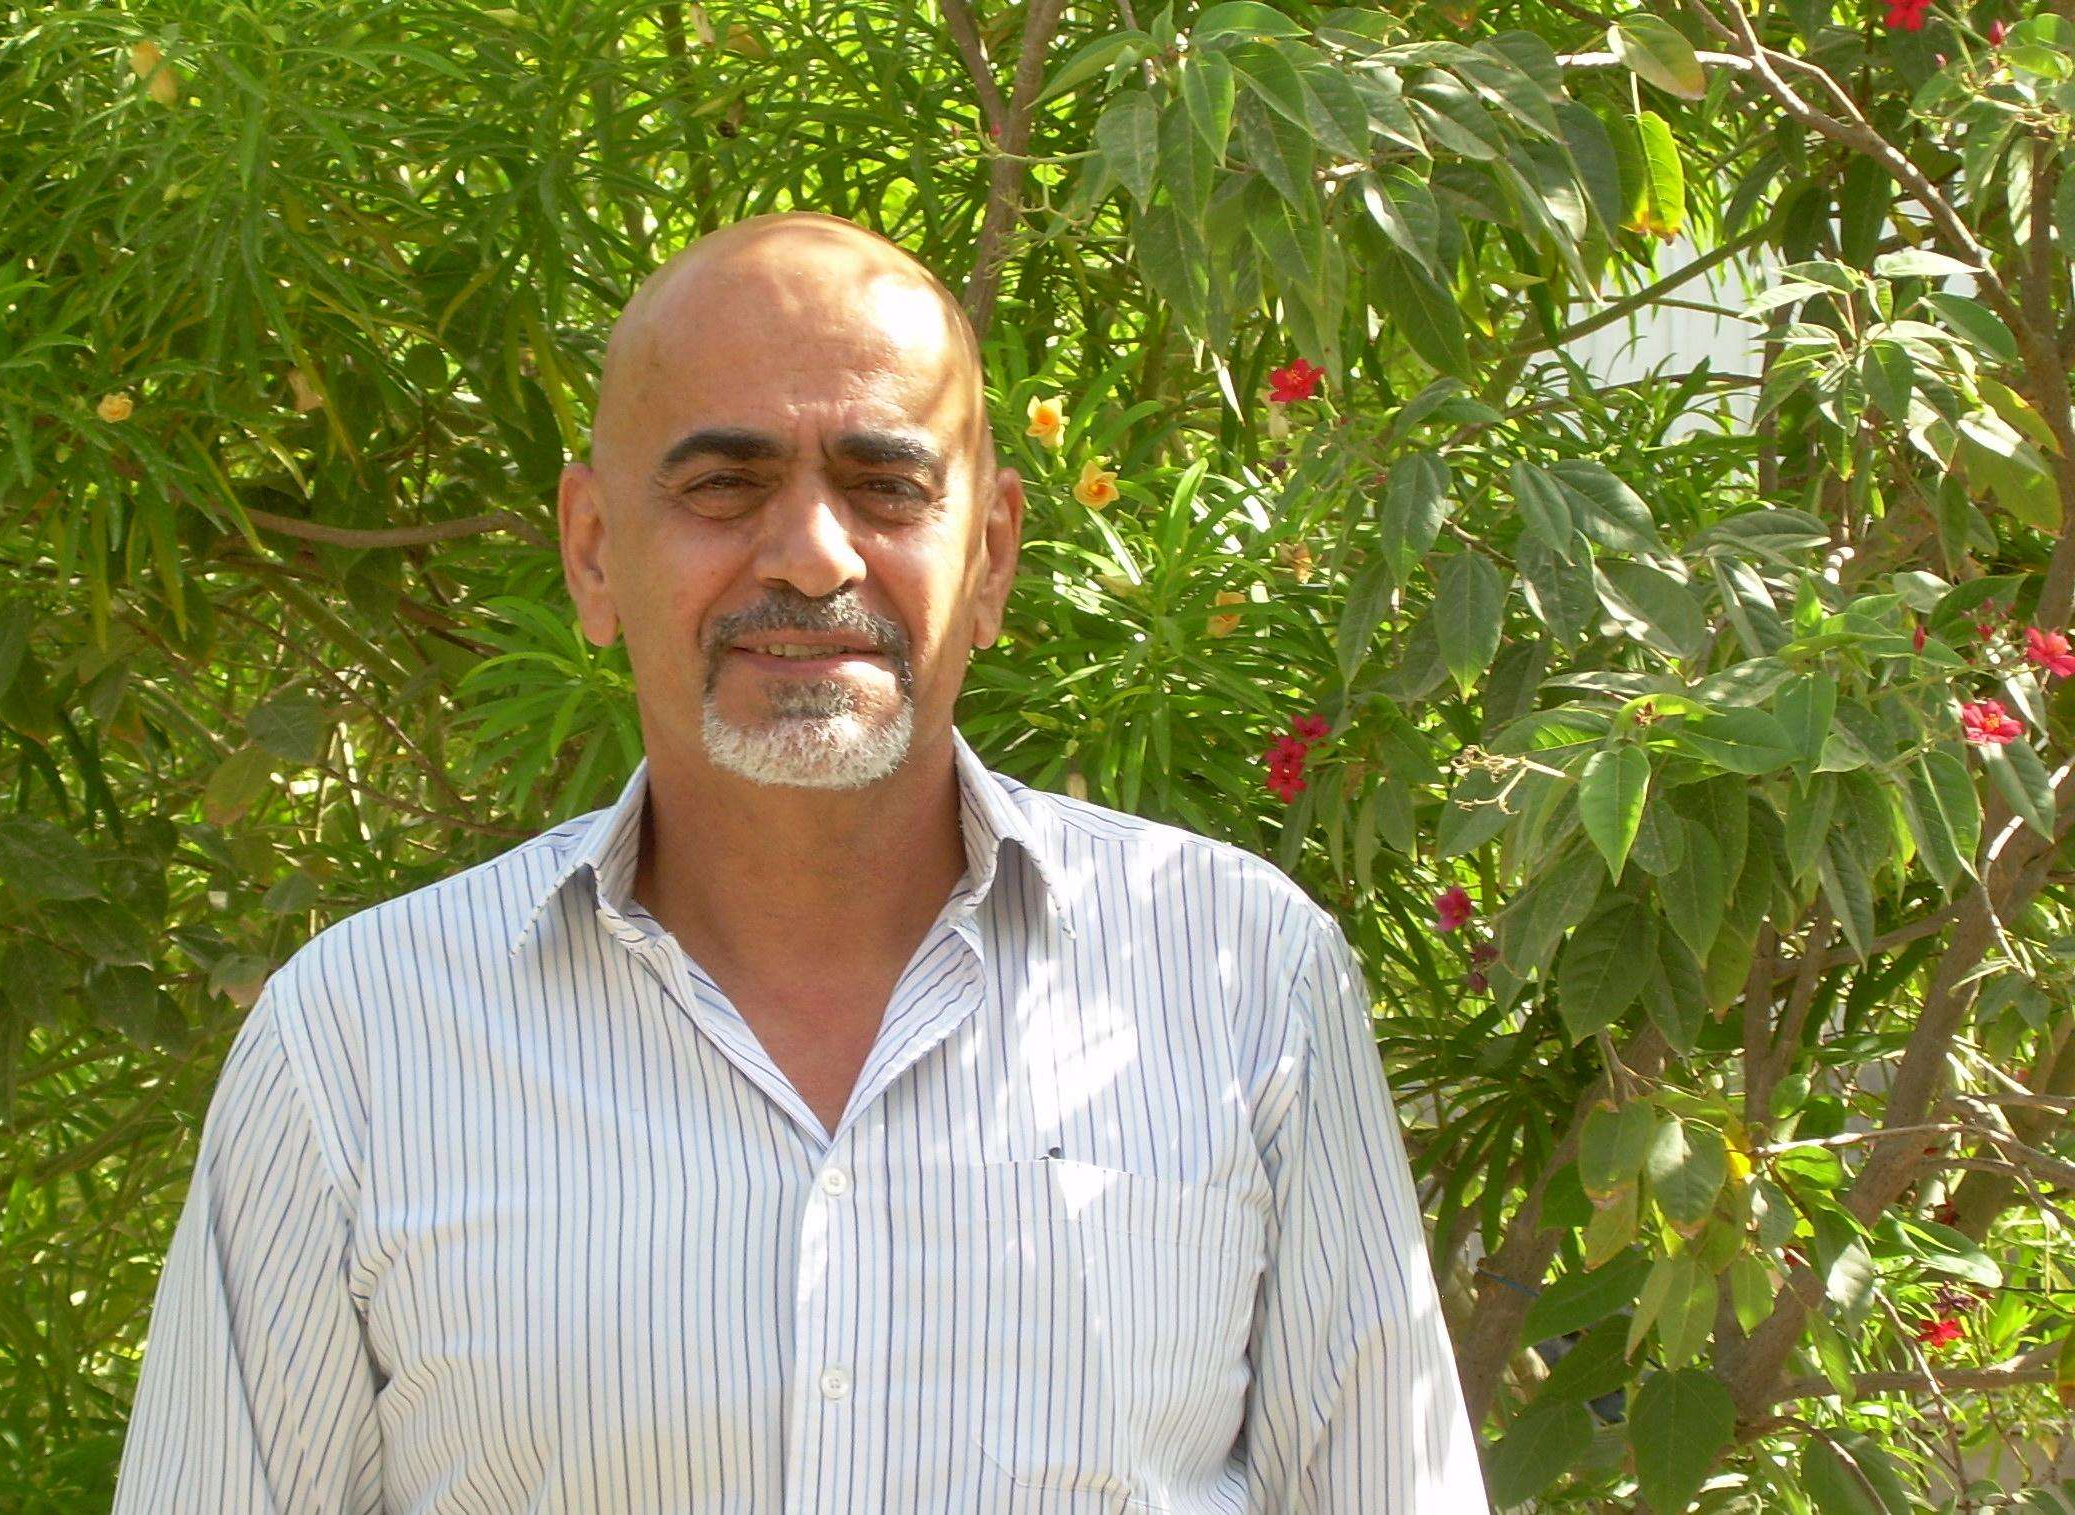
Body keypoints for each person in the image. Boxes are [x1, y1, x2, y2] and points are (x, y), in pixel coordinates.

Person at [113, 212, 1487, 1512]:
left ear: (994, 555)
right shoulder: (357, 1044)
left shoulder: (1239, 975)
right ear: (593, 554)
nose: (817, 556)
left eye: (887, 487)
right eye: (725, 485)